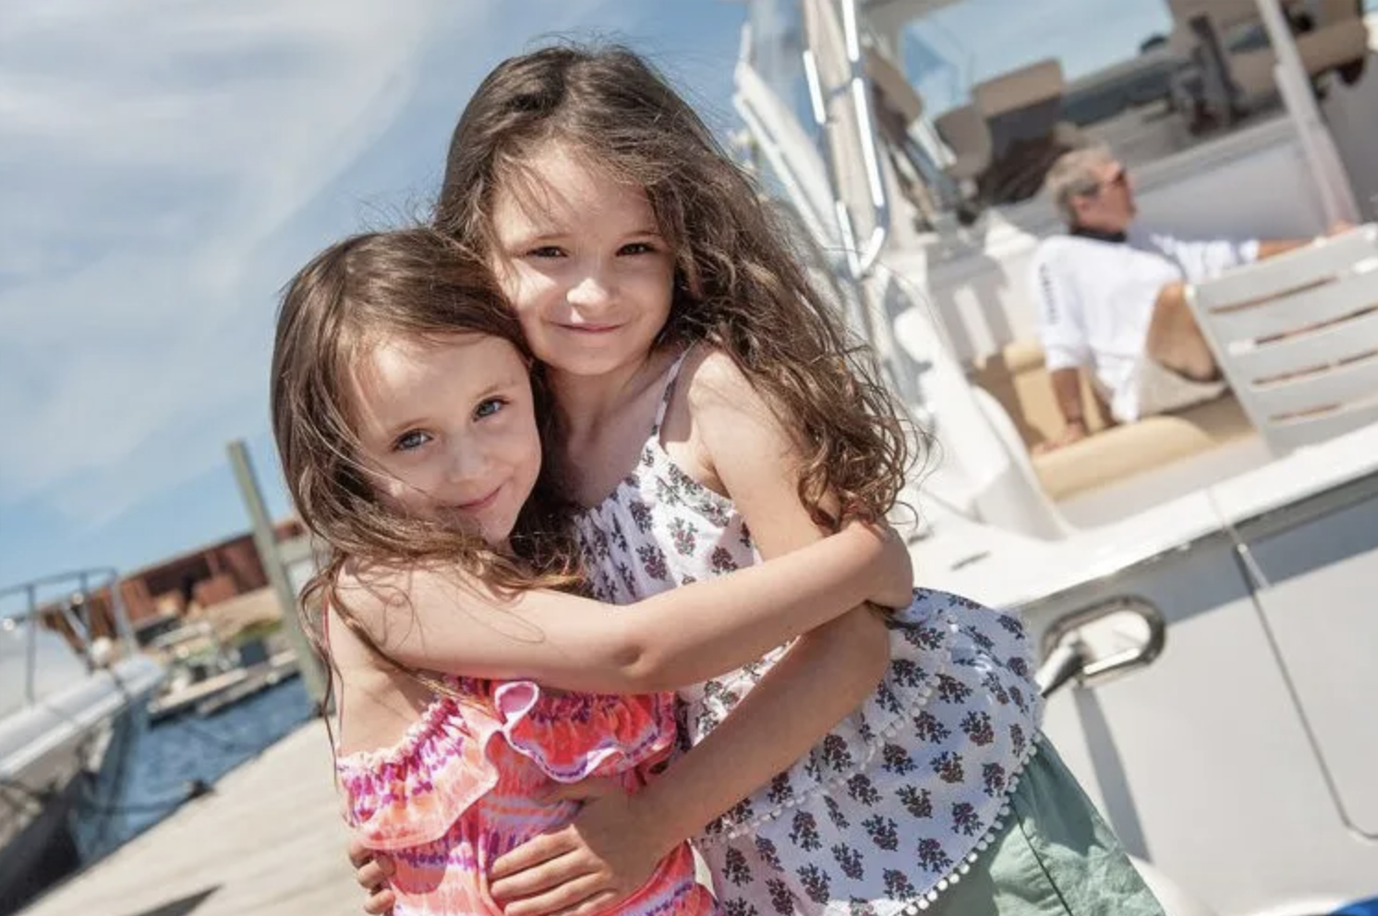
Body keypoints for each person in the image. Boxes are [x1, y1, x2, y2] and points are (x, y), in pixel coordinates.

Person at [353, 44, 1164, 916]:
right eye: (548, 251)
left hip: (940, 815)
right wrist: (436, 833)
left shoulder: (709, 394)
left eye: (635, 248)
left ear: (682, 244)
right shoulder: (510, 458)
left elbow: (851, 644)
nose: (595, 293)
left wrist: (652, 821)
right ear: (473, 250)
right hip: (781, 872)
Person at [271, 227, 916, 916]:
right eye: (412, 439)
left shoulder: (523, 568)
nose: (470, 465)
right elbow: (636, 650)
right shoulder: (383, 587)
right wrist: (862, 559)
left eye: (490, 408)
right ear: (341, 462)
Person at [1032, 144, 1341, 451]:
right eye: (1119, 180)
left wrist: (1323, 245)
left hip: (1206, 360)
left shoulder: (1146, 241)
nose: (1132, 184)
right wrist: (1074, 423)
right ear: (1083, 204)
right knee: (1175, 298)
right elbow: (1061, 346)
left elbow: (1234, 255)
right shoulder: (1056, 256)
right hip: (1145, 384)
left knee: (1267, 289)